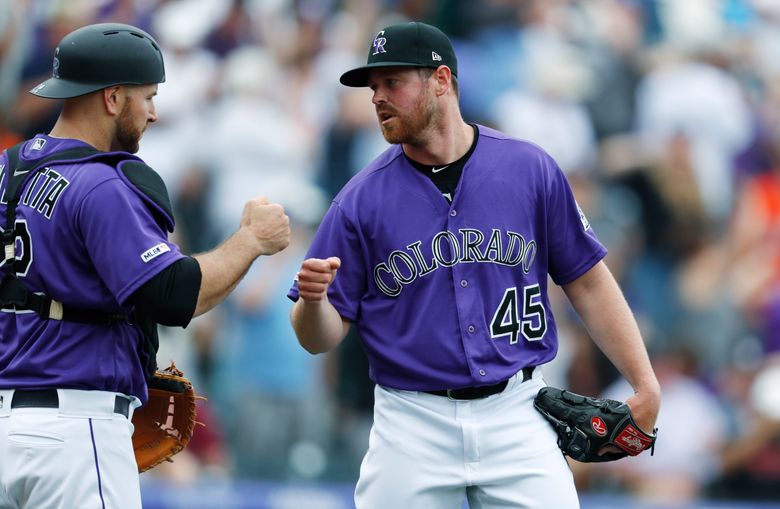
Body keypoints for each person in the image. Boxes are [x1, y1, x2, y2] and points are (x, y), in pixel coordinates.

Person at [289, 21, 660, 508]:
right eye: (373, 87)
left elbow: (587, 281)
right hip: (412, 422)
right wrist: (313, 303)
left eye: (392, 82)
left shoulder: (529, 169)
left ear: (441, 81)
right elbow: (319, 338)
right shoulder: (358, 202)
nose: (377, 97)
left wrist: (644, 380)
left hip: (518, 410)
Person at [0, 23, 290, 509]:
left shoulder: (6, 171)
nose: (154, 113)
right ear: (112, 98)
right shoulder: (100, 184)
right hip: (74, 431)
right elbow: (174, 294)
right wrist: (250, 241)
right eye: (147, 96)